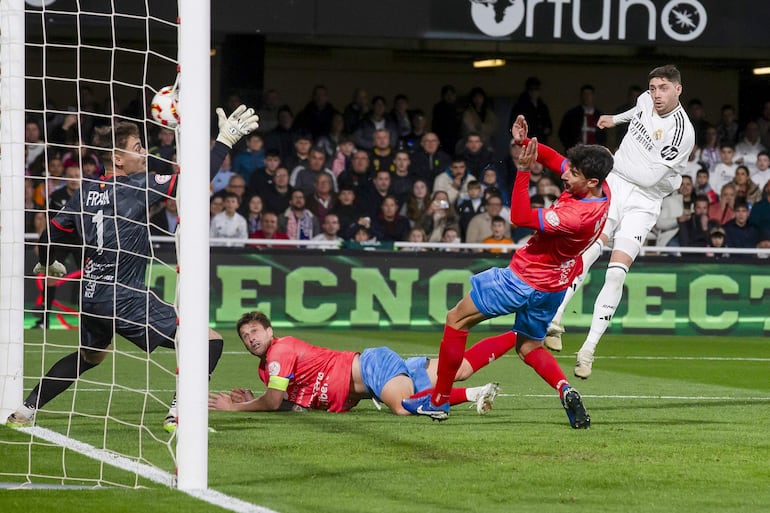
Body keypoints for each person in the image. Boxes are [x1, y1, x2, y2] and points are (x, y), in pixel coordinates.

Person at [6, 105, 259, 432]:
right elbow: (193, 185)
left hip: (92, 296)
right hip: (124, 297)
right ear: (117, 158)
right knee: (209, 341)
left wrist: (46, 260)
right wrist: (224, 141)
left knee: (89, 357)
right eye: (138, 148)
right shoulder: (137, 185)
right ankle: (179, 415)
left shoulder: (83, 193)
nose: (144, 153)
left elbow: (51, 232)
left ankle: (26, 410)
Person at [401, 115, 613, 428]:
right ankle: (565, 389)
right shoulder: (601, 188)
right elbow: (555, 160)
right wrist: (524, 143)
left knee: (455, 319)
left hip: (524, 279)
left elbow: (519, 216)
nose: (566, 176)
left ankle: (438, 401)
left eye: (574, 174)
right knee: (529, 347)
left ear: (591, 181)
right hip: (555, 285)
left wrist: (523, 170)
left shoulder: (574, 215)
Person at [544, 65, 695, 380]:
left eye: (663, 88)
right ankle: (555, 320)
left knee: (615, 273)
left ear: (678, 89)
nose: (656, 94)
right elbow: (637, 110)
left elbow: (651, 177)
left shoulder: (681, 132)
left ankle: (588, 350)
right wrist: (615, 119)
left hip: (644, 200)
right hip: (616, 187)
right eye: (653, 87)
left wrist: (611, 162)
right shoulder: (645, 100)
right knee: (588, 251)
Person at [208, 311, 501, 416]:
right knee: (458, 368)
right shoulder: (266, 369)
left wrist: (235, 406)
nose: (251, 339)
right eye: (245, 336)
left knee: (402, 407)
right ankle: (518, 335)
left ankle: (475, 394)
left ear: (271, 332)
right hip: (376, 374)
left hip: (373, 368)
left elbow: (272, 403)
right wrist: (255, 400)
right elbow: (286, 403)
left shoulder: (280, 351)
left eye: (255, 332)